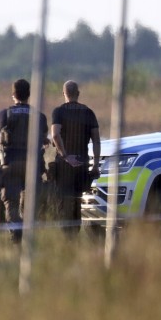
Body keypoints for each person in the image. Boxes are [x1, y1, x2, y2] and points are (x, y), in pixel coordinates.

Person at [0, 78, 49, 242]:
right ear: (29, 95)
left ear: (13, 95)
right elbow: (43, 135)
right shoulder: (40, 117)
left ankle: (16, 235)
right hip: (33, 166)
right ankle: (27, 235)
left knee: (11, 203)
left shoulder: (4, 114)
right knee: (30, 204)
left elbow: (1, 129)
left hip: (11, 165)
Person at [50, 80, 100, 233]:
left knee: (63, 203)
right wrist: (96, 165)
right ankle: (75, 236)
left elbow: (55, 134)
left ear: (63, 93)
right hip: (82, 164)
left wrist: (65, 155)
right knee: (77, 203)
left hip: (64, 166)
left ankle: (65, 238)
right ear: (78, 94)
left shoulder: (58, 111)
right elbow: (96, 140)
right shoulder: (88, 112)